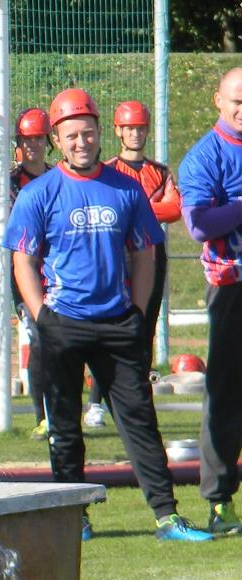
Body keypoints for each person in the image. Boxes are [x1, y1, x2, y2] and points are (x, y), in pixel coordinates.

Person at [5, 88, 210, 543]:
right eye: (72, 135)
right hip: (63, 322)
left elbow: (145, 252)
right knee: (64, 424)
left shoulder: (127, 189)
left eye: (89, 132)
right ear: (58, 141)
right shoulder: (39, 193)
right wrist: (43, 316)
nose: (82, 142)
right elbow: (23, 259)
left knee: (139, 420)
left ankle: (167, 516)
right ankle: (73, 516)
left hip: (117, 322)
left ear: (101, 134)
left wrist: (137, 312)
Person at [92, 99, 183, 424]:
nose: (135, 133)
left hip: (153, 259)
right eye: (129, 128)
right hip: (117, 260)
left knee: (144, 331)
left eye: (140, 128)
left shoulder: (158, 171)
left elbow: (175, 209)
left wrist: (136, 207)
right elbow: (113, 208)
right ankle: (96, 404)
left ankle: (137, 401)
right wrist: (147, 205)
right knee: (110, 329)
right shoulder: (109, 170)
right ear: (118, 130)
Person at [179, 67, 242, 536]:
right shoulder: (205, 156)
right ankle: (220, 501)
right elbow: (200, 225)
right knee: (224, 393)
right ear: (217, 101)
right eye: (236, 100)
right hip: (231, 287)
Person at [10, 107, 54, 435]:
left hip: (57, 275)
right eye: (27, 139)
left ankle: (64, 408)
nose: (33, 145)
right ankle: (41, 415)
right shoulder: (9, 184)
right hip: (25, 278)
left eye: (38, 138)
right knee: (39, 340)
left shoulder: (58, 178)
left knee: (61, 342)